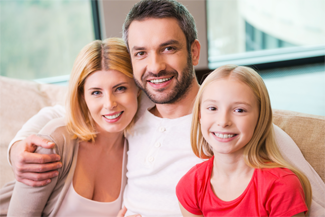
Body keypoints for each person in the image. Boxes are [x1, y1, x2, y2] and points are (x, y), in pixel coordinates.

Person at [6, 0, 325, 216]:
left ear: (194, 51)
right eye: (141, 53)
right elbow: (59, 111)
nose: (155, 66)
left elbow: (317, 203)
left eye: (168, 49)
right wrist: (20, 145)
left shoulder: (222, 124)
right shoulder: (132, 106)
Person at [1, 38, 140, 216]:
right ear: (83, 96)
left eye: (120, 88)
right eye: (96, 92)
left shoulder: (138, 152)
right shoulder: (54, 145)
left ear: (138, 88)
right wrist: (15, 149)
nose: (109, 104)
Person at [176, 65, 311, 217]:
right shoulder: (191, 185)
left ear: (260, 118)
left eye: (239, 110)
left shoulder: (281, 186)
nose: (223, 121)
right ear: (199, 115)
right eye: (212, 108)